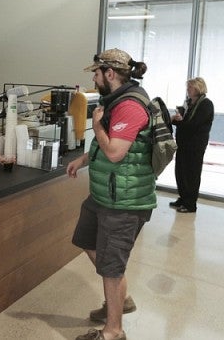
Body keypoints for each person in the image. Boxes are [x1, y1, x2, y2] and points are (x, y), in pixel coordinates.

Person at [66, 49, 157, 340]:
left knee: (112, 267)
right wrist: (83, 160)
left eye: (96, 72)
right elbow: (109, 148)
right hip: (105, 195)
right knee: (86, 240)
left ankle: (114, 331)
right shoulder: (115, 101)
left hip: (124, 202)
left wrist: (97, 125)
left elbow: (115, 152)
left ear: (110, 74)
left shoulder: (130, 106)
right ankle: (121, 299)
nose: (93, 78)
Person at [170, 77, 214, 213]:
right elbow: (184, 123)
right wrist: (176, 120)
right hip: (183, 143)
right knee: (181, 172)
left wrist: (180, 121)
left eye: (190, 87)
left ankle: (190, 203)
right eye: (188, 87)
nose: (188, 90)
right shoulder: (188, 103)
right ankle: (183, 198)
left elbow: (194, 124)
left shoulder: (206, 104)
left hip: (195, 145)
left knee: (191, 174)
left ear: (198, 88)